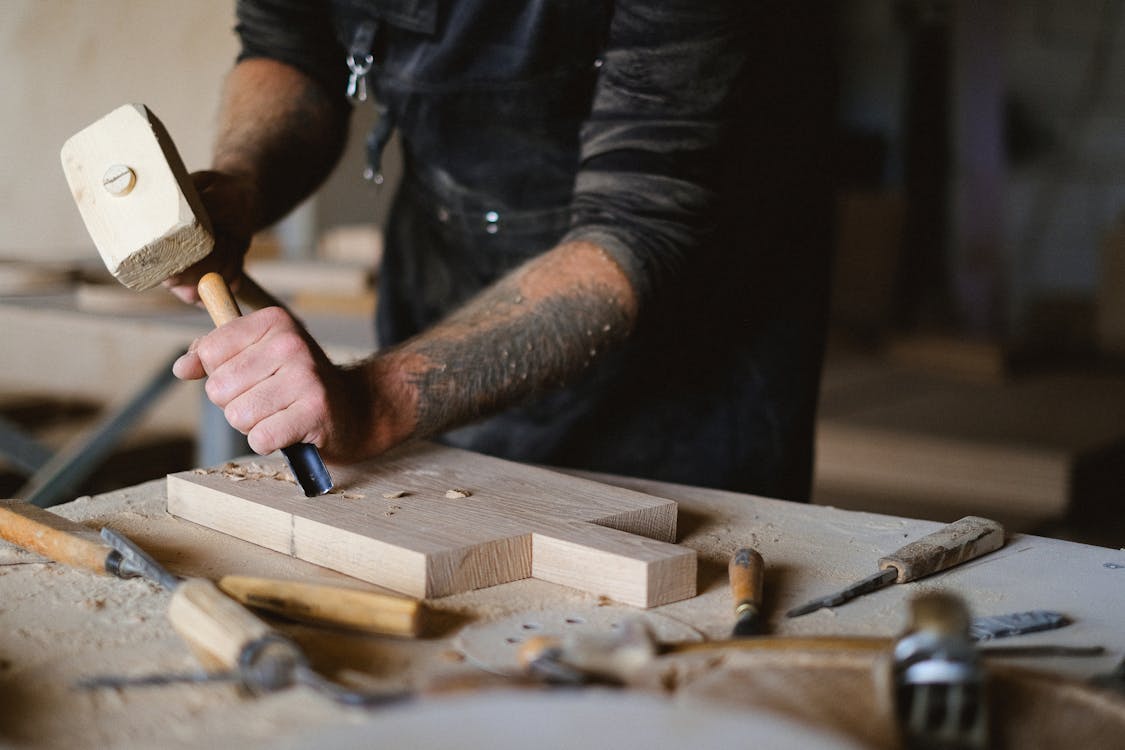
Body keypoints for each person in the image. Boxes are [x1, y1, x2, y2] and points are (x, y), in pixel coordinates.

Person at [169, 1, 838, 501]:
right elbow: (288, 45)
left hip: (688, 368)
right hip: (443, 287)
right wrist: (243, 183)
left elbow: (635, 228)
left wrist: (377, 401)